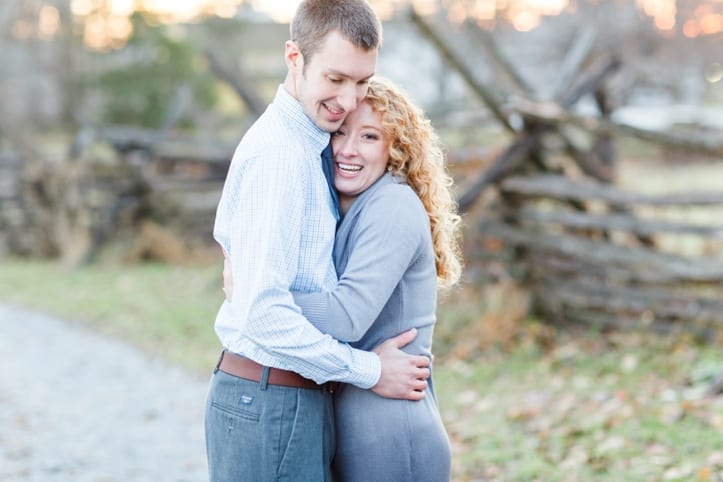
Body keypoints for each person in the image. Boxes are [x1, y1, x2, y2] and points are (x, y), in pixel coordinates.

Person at [205, 2, 431, 482]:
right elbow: (264, 314)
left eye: (362, 82)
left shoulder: (312, 148)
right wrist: (371, 370)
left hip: (291, 397)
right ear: (294, 57)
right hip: (271, 400)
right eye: (335, 79)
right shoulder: (281, 158)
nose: (348, 100)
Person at [224, 77, 463, 481]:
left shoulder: (393, 206)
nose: (348, 149)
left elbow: (346, 316)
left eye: (369, 136)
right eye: (340, 133)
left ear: (397, 149)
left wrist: (255, 292)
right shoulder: (349, 208)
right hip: (356, 426)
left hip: (391, 433)